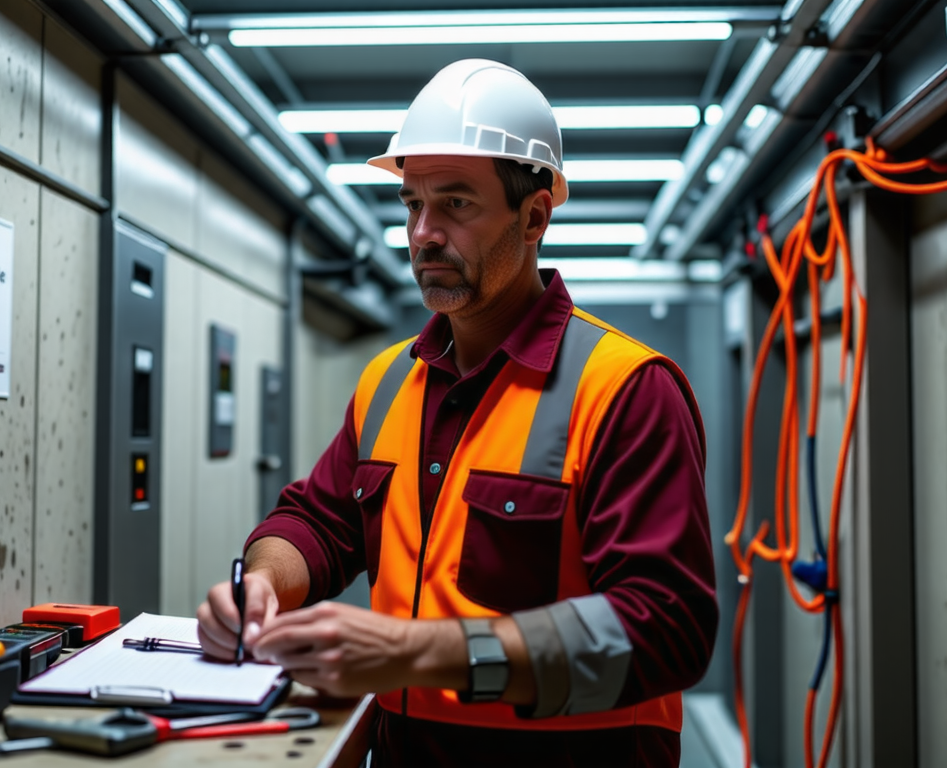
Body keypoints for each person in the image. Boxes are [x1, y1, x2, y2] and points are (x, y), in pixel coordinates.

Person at [197, 59, 717, 767]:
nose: (422, 234)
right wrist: (259, 585)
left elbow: (668, 627)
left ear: (534, 217)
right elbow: (318, 521)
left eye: (456, 205)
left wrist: (421, 652)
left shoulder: (627, 387)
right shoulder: (388, 381)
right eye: (412, 203)